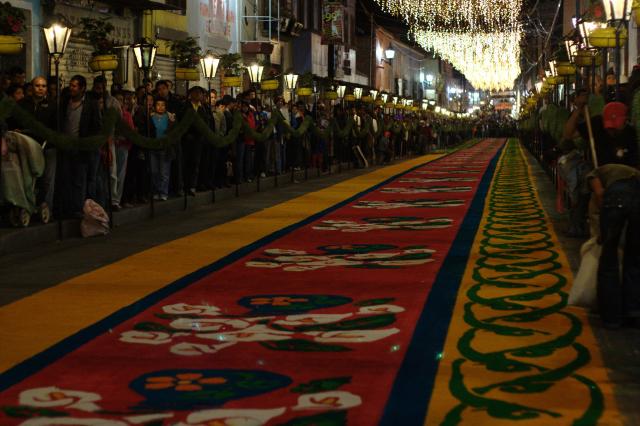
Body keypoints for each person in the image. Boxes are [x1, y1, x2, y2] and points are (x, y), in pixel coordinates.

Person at [588, 164, 640, 329]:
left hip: (615, 199)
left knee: (608, 259)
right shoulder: (632, 173)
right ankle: (633, 311)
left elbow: (599, 193)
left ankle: (611, 317)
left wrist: (601, 234)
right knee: (635, 258)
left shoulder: (596, 172)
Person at [59, 75, 102, 217]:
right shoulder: (65, 102)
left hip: (81, 147)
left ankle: (78, 208)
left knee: (79, 179)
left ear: (82, 88)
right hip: (66, 146)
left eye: (74, 86)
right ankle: (67, 207)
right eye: (70, 85)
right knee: (65, 178)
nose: (71, 88)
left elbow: (96, 126)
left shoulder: (91, 104)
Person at [19, 76, 56, 211]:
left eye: (43, 86)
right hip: (27, 145)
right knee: (27, 176)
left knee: (47, 178)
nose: (40, 89)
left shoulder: (52, 105)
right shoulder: (23, 103)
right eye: (37, 86)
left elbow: (56, 126)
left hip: (47, 146)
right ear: (32, 87)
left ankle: (46, 205)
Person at [179, 86, 211, 196]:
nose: (198, 95)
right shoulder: (185, 106)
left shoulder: (203, 108)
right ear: (190, 94)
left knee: (195, 163)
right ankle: (183, 185)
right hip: (187, 139)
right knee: (185, 163)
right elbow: (182, 121)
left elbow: (206, 122)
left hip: (198, 140)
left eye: (200, 93)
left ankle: (193, 185)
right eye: (195, 93)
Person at [149, 97, 175, 201]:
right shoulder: (151, 117)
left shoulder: (169, 117)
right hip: (153, 147)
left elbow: (173, 131)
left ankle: (163, 192)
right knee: (154, 171)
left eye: (163, 105)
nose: (160, 107)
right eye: (158, 105)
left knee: (164, 172)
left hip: (165, 147)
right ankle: (155, 191)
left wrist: (172, 121)